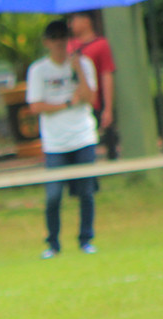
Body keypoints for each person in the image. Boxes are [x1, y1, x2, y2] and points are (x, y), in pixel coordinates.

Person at [27, 19, 99, 259]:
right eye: (55, 39)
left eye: (63, 38)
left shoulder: (84, 64)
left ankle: (86, 239)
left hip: (83, 137)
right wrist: (67, 103)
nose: (60, 44)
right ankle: (53, 243)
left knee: (86, 193)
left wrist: (78, 69)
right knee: (53, 196)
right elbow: (36, 106)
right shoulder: (38, 70)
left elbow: (90, 97)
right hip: (55, 143)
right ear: (47, 42)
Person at [68, 11, 117, 161]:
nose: (71, 24)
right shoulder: (69, 46)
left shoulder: (101, 44)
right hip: (77, 101)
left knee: (106, 133)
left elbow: (106, 75)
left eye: (74, 20)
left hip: (96, 99)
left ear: (87, 21)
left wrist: (108, 108)